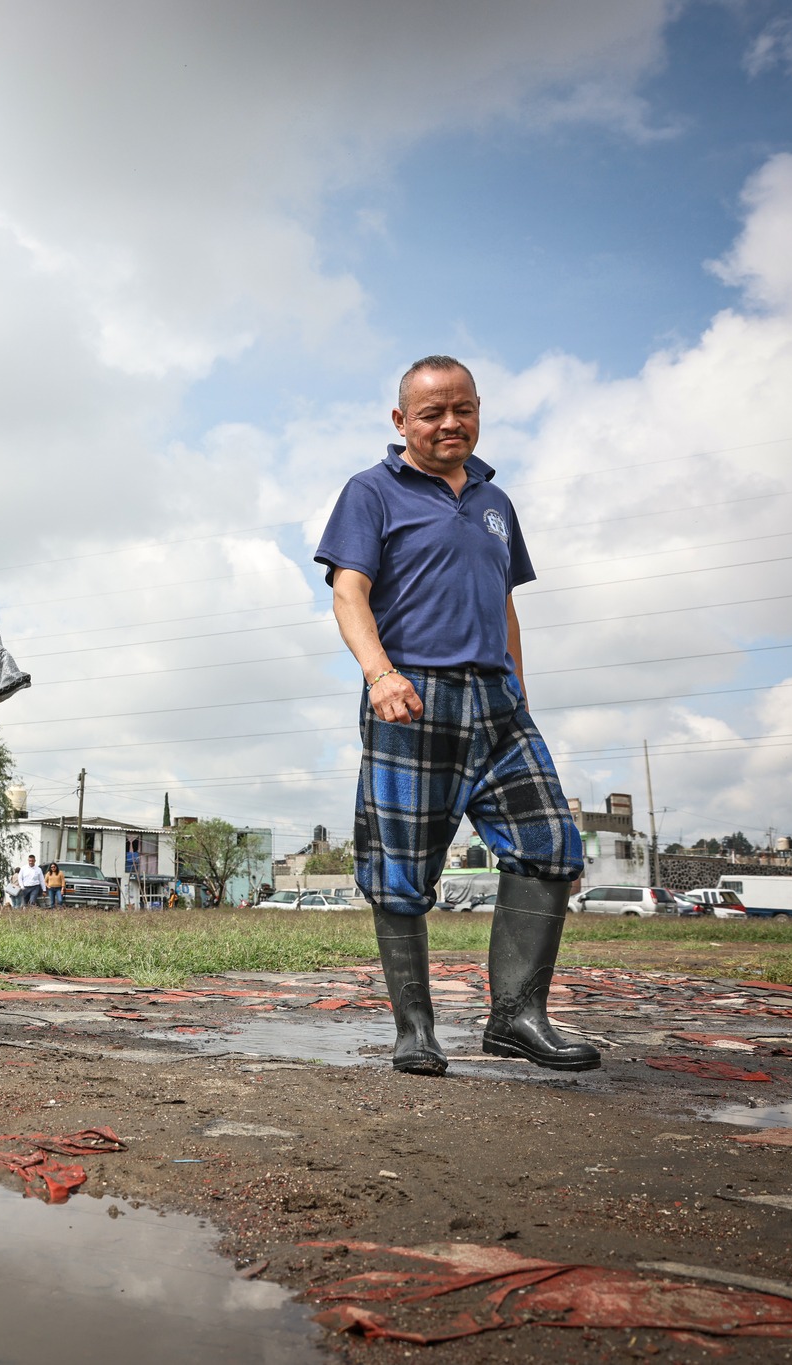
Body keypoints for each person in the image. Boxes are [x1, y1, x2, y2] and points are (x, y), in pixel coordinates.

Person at [315, 355, 592, 1076]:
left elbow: (505, 603)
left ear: (478, 411)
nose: (449, 423)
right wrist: (379, 674)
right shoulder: (371, 491)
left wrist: (519, 692)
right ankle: (416, 1030)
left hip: (497, 702)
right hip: (411, 696)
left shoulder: (497, 503)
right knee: (400, 868)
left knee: (551, 843)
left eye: (462, 409)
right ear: (401, 420)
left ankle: (517, 1017)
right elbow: (349, 594)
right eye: (432, 413)